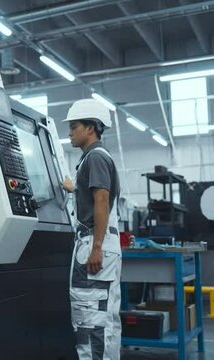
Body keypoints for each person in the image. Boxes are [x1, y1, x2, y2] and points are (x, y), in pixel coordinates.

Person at [61, 98, 121, 360]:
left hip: (93, 245)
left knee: (92, 320)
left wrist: (95, 248)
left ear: (90, 128)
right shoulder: (93, 159)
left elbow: (101, 200)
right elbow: (92, 194)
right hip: (94, 242)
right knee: (100, 319)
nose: (70, 132)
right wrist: (73, 189)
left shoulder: (95, 157)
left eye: (74, 126)